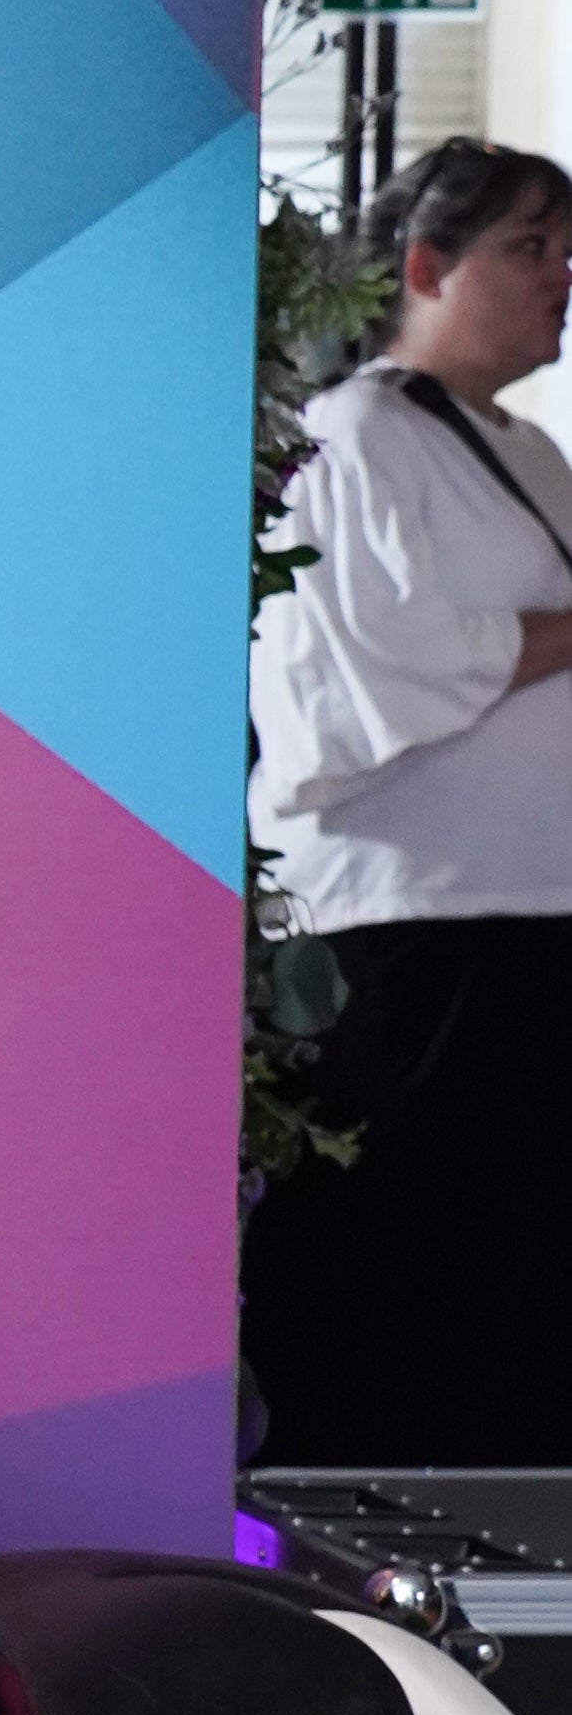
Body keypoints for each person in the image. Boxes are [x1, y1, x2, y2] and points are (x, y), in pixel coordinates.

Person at [247, 136, 572, 1460]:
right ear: (424, 266)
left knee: (512, 1266)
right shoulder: (352, 433)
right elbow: (387, 665)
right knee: (404, 1256)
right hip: (401, 924)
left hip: (520, 914)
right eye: (530, 249)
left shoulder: (527, 448)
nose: (560, 279)